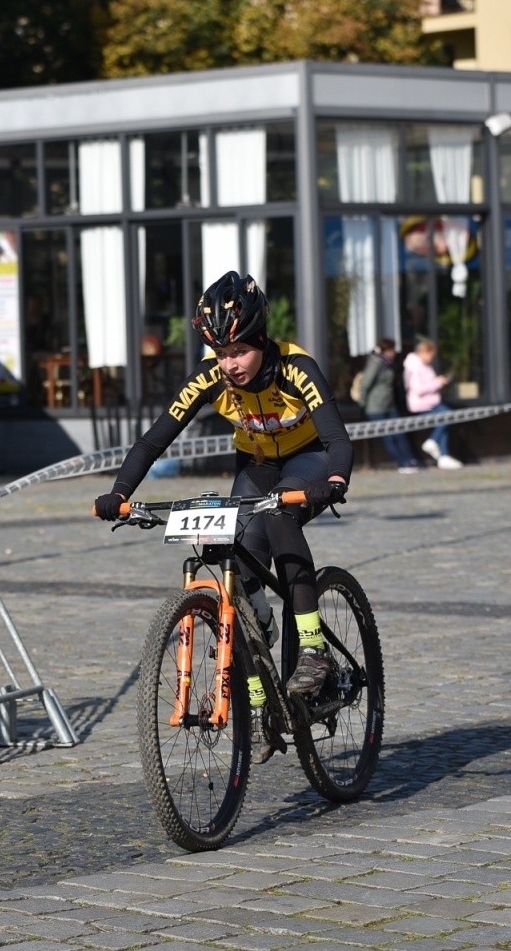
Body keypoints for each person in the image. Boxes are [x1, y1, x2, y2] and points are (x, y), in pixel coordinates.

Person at [93, 271, 353, 763]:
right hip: (256, 464)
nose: (229, 364)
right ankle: (258, 708)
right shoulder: (211, 377)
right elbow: (154, 440)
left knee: (280, 518)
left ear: (260, 341)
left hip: (311, 458)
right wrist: (120, 492)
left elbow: (338, 439)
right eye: (220, 353)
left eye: (238, 352)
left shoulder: (297, 368)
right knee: (235, 564)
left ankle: (315, 650)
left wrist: (336, 480)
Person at [355, 338, 417, 473]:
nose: (394, 352)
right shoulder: (376, 363)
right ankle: (402, 464)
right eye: (391, 350)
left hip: (389, 405)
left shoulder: (388, 364)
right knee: (388, 436)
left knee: (400, 432)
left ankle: (411, 461)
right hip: (375, 407)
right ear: (385, 351)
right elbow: (365, 385)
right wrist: (362, 405)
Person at [402, 338, 463, 469]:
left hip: (431, 402)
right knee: (446, 415)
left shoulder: (423, 365)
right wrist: (437, 383)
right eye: (431, 355)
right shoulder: (414, 367)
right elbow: (418, 389)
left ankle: (443, 455)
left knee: (445, 419)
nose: (432, 358)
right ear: (424, 352)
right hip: (422, 404)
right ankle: (433, 442)